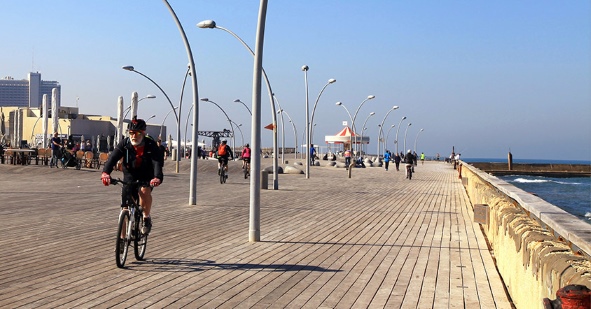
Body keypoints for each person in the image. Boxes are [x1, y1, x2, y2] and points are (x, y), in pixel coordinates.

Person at [101, 118, 163, 235]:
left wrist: (157, 177)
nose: (134, 136)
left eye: (137, 133)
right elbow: (113, 158)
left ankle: (146, 218)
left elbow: (157, 162)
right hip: (130, 174)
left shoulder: (150, 145)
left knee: (144, 191)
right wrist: (106, 173)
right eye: (131, 133)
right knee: (125, 209)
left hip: (146, 174)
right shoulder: (125, 144)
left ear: (143, 133)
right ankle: (122, 240)